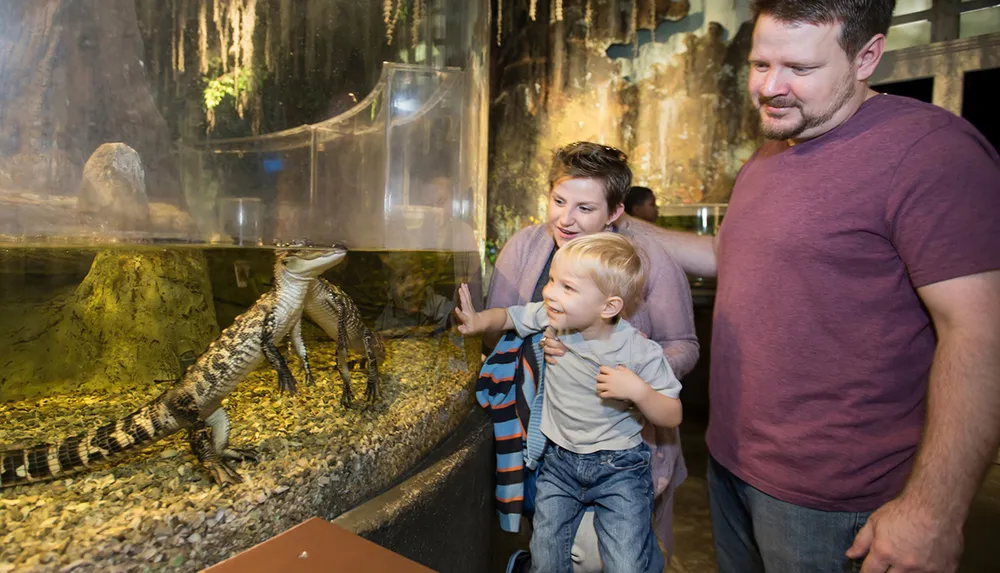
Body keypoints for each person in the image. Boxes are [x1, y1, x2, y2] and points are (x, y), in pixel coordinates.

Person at [648, 1, 1000, 571]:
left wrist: (934, 510)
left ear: (868, 57)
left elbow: (982, 335)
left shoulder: (931, 153)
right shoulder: (770, 151)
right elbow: (730, 254)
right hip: (733, 466)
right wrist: (620, 225)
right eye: (760, 64)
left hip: (840, 499)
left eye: (800, 69)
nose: (771, 87)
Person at [486, 141, 699, 572]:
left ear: (615, 212)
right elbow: (503, 331)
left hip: (621, 447)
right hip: (543, 443)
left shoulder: (649, 262)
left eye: (585, 208)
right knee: (551, 547)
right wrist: (536, 348)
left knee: (606, 555)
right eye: (559, 201)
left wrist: (627, 373)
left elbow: (684, 345)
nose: (566, 219)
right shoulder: (524, 248)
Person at [457, 233, 683, 573]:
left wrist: (639, 391)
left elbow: (672, 413)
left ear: (609, 307)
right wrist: (478, 322)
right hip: (559, 464)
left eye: (568, 287)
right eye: (552, 280)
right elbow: (509, 316)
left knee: (625, 562)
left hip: (619, 469)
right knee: (547, 553)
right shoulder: (552, 320)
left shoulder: (639, 351)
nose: (549, 293)